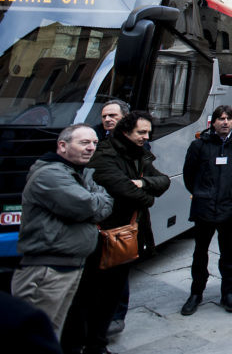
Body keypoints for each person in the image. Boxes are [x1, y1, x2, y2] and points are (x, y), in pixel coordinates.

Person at [65, 111, 170, 354]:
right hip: (100, 237)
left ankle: (97, 344)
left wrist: (143, 183)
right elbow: (121, 188)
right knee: (86, 295)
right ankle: (75, 343)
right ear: (126, 132)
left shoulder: (140, 154)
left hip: (126, 236)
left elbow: (163, 181)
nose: (146, 137)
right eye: (141, 133)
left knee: (111, 295)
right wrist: (146, 197)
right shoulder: (104, 154)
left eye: (147, 132)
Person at [11, 125, 112, 340]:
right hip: (47, 271)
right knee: (35, 337)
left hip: (67, 266)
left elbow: (99, 200)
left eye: (94, 143)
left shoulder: (77, 171)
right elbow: (91, 207)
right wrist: (98, 197)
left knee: (51, 334)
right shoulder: (50, 175)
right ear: (63, 146)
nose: (91, 148)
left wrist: (97, 197)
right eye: (84, 143)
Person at [180, 105, 232, 315]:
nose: (225, 122)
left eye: (229, 118)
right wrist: (202, 192)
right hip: (204, 207)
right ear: (213, 122)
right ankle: (196, 292)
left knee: (227, 251)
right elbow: (189, 174)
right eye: (221, 118)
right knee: (200, 252)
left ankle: (228, 292)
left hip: (229, 206)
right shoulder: (199, 144)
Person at [93, 98, 132, 337]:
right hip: (96, 214)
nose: (107, 119)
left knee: (119, 267)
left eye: (113, 116)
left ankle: (116, 315)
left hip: (120, 215)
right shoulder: (93, 139)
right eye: (104, 115)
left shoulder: (134, 144)